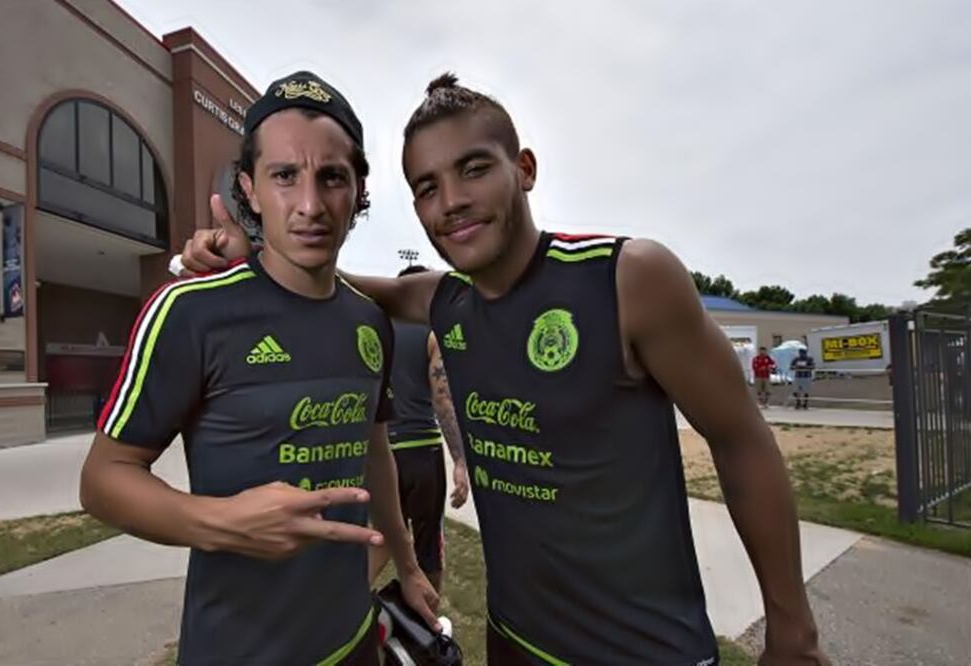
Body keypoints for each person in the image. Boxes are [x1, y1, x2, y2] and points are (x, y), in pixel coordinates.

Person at [180, 73, 827, 665]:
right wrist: (252, 254)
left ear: (523, 169)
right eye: (427, 188)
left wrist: (791, 629)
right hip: (513, 639)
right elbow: (334, 282)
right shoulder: (444, 301)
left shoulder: (627, 279)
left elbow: (740, 439)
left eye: (473, 170)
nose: (452, 202)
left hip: (644, 650)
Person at [80, 71, 437, 666]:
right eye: (284, 176)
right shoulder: (191, 310)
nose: (310, 205)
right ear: (249, 188)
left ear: (358, 191)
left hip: (353, 641)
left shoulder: (368, 322)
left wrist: (407, 561)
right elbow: (102, 480)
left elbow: (373, 451)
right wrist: (222, 523)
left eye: (332, 178)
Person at [369, 265, 469, 593]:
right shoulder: (431, 333)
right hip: (421, 453)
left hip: (381, 452)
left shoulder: (373, 332)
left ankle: (346, 610)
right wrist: (459, 460)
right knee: (428, 551)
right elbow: (443, 401)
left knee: (381, 536)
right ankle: (427, 630)